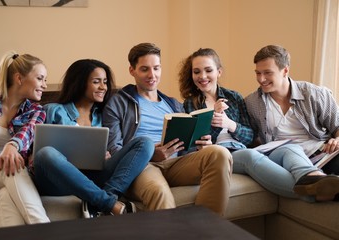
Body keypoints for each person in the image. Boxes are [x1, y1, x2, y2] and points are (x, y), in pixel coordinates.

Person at [178, 47, 339, 202]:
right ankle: (314, 192)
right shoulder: (189, 104)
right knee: (251, 156)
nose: (202, 76)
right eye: (197, 71)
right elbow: (191, 145)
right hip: (219, 153)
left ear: (218, 72)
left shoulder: (233, 97)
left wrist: (230, 124)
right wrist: (215, 121)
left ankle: (315, 179)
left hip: (240, 147)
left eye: (208, 70)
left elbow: (250, 136)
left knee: (291, 148)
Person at [102, 43, 233, 216]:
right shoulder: (118, 103)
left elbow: (187, 146)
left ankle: (206, 230)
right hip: (143, 165)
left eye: (156, 68)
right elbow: (115, 150)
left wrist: (201, 145)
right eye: (144, 69)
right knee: (160, 191)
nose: (152, 75)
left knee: (220, 153)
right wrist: (150, 153)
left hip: (175, 164)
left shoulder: (173, 104)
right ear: (132, 70)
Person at [32, 59, 154, 217]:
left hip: (93, 177)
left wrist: (106, 156)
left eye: (105, 82)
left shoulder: (103, 116)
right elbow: (34, 145)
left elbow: (113, 149)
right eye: (97, 82)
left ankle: (105, 198)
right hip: (56, 181)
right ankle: (108, 204)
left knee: (144, 143)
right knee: (45, 153)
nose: (103, 87)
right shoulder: (52, 110)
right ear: (80, 83)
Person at [245, 45, 339, 200]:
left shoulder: (314, 94)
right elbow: (250, 137)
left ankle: (326, 189)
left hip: (322, 154)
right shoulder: (252, 102)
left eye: (268, 73)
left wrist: (337, 139)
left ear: (285, 71)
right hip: (284, 158)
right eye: (258, 73)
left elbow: (337, 125)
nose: (261, 79)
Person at [0, 51, 50, 227]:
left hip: (7, 175)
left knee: (6, 195)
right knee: (11, 165)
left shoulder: (36, 111)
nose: (45, 85)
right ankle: (46, 229)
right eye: (40, 78)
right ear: (19, 79)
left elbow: (28, 132)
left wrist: (12, 146)